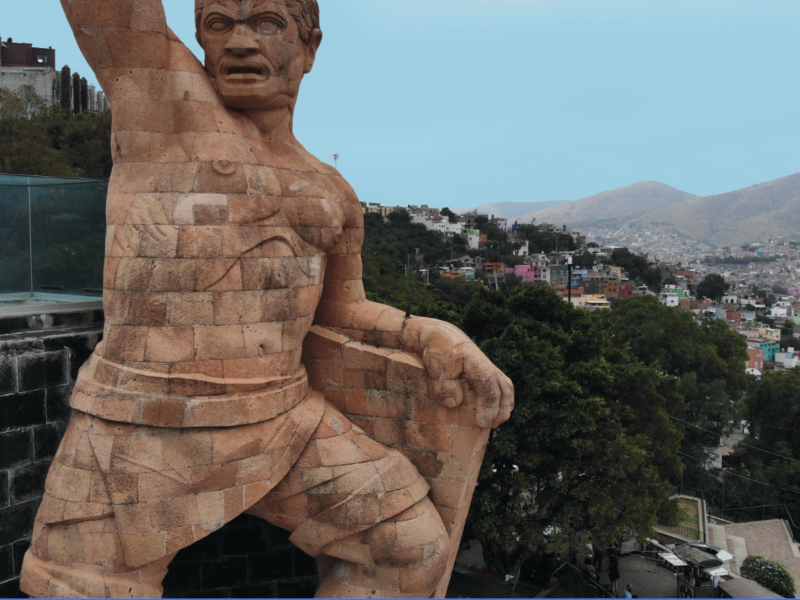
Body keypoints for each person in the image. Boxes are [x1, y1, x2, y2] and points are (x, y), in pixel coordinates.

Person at [19, 1, 514, 598]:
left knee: (410, 548)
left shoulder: (332, 192)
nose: (240, 42)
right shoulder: (167, 108)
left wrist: (428, 334)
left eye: (266, 24)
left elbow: (340, 313)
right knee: (79, 588)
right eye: (219, 23)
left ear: (309, 47)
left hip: (285, 421)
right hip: (140, 427)